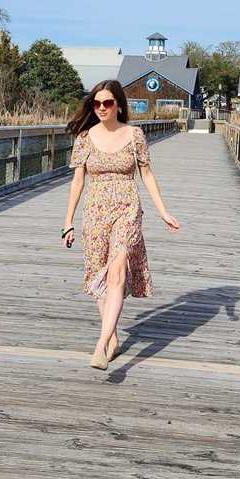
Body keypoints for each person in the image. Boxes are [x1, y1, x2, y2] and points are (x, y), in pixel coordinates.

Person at [61, 80, 180, 369]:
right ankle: (111, 337)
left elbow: (147, 175)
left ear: (119, 105)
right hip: (95, 212)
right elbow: (77, 182)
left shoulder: (134, 135)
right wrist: (68, 222)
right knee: (98, 276)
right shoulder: (84, 138)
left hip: (127, 208)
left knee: (116, 270)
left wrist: (163, 211)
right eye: (96, 103)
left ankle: (100, 344)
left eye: (108, 103)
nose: (101, 108)